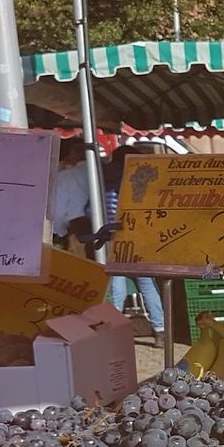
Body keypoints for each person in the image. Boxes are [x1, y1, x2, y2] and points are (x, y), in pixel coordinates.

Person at [103, 146, 166, 343]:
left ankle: (112, 329)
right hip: (139, 235)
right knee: (146, 284)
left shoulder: (106, 180)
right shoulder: (142, 181)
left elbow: (96, 209)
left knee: (117, 284)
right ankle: (160, 331)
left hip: (114, 234)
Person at [51, 138, 94, 252]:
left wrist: (60, 233)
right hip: (108, 229)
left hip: (77, 232)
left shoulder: (65, 177)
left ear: (72, 154)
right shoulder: (103, 172)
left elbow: (58, 211)